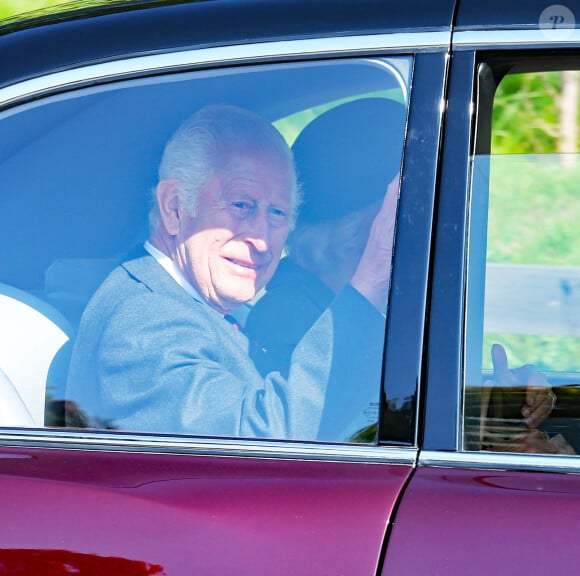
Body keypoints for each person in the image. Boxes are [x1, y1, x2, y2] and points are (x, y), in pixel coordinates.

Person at [65, 104, 390, 441]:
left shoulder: (186, 303)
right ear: (175, 206)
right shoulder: (143, 321)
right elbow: (260, 445)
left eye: (277, 212)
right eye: (241, 205)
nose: (262, 240)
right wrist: (371, 280)